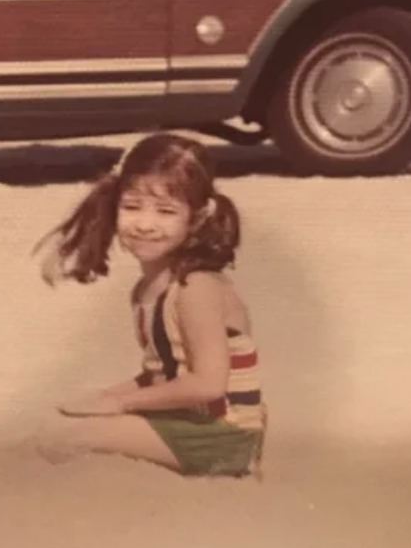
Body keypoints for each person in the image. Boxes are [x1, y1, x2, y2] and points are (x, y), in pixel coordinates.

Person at [34, 132, 266, 477]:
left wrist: (120, 403)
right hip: (191, 421)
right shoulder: (148, 288)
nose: (145, 224)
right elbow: (161, 375)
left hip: (224, 434)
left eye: (166, 211)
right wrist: (104, 397)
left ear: (199, 217)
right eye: (131, 207)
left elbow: (208, 384)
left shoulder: (195, 289)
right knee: (61, 429)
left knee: (68, 441)